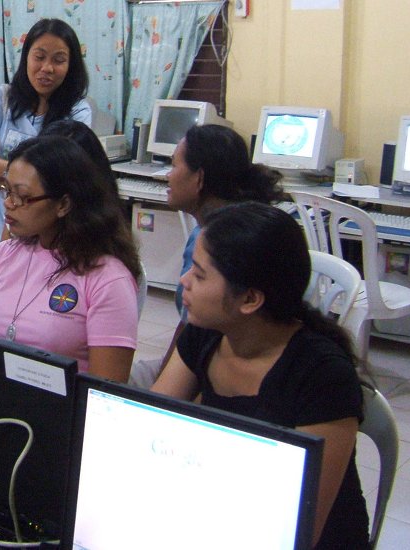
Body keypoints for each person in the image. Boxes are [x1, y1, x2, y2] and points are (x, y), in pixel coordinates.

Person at [151, 202, 369, 549]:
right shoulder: (206, 333)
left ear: (250, 299)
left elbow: (302, 527)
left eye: (199, 274)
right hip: (220, 512)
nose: (184, 281)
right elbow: (154, 421)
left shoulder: (323, 375)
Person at [0, 136, 141, 381]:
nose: (8, 203)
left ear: (63, 204)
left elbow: (104, 392)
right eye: (6, 190)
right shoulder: (3, 255)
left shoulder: (107, 278)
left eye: (22, 196)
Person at [130, 124, 284, 389]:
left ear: (199, 178)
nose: (167, 176)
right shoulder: (226, 228)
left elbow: (193, 332)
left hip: (216, 373)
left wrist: (161, 383)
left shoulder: (223, 242)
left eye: (174, 166)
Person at [0, 18, 92, 254]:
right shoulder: (2, 98)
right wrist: (30, 180)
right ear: (26, 58)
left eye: (59, 60)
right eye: (39, 56)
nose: (47, 68)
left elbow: (64, 177)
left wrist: (2, 170)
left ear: (70, 65)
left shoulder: (77, 111)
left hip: (50, 240)